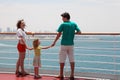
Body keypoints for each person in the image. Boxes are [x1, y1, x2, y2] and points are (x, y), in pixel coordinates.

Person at [51, 12, 81, 80]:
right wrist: (73, 33)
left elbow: (58, 34)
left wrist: (54, 42)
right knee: (72, 60)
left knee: (62, 60)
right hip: (71, 45)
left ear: (65, 17)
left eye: (62, 17)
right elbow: (79, 32)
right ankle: (72, 75)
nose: (62, 19)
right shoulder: (74, 24)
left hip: (64, 45)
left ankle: (61, 75)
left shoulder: (63, 24)